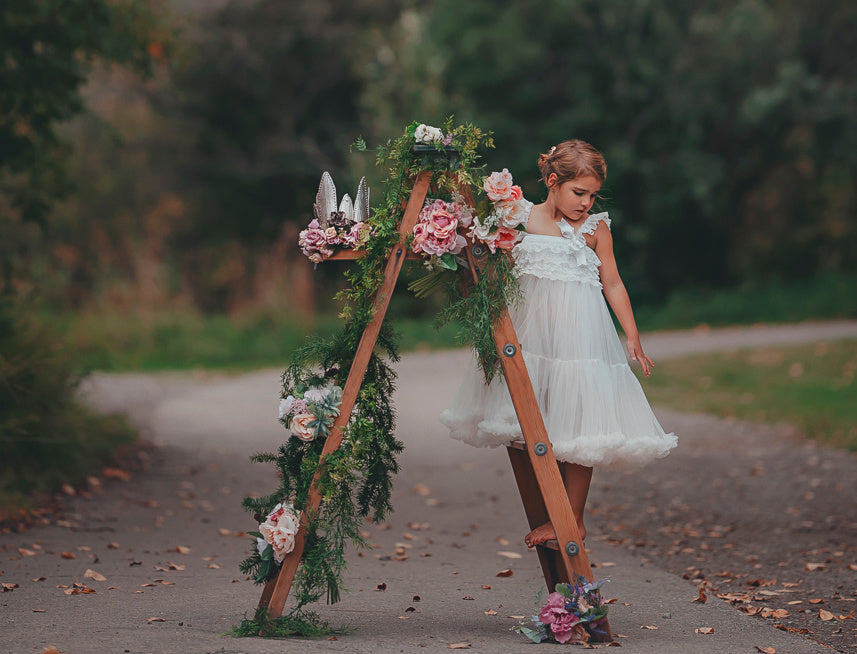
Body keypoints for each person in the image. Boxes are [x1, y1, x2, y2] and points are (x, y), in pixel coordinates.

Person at [440, 139, 677, 548]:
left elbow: (613, 282)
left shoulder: (595, 229)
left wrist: (632, 335)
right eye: (578, 193)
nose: (586, 203)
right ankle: (548, 506)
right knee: (527, 419)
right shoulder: (522, 220)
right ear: (552, 181)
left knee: (579, 428)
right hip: (532, 343)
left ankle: (573, 517)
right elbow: (498, 273)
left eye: (592, 195)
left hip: (581, 345)